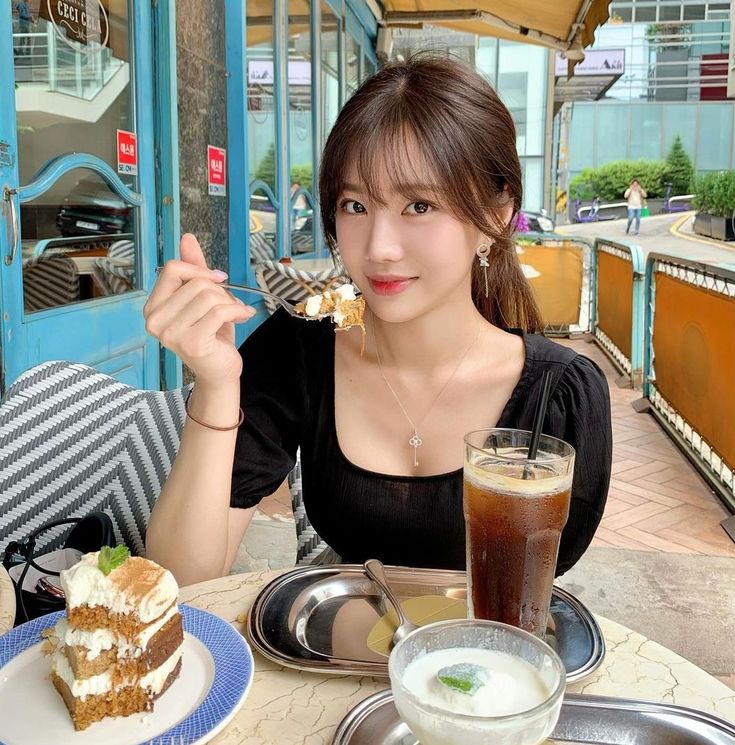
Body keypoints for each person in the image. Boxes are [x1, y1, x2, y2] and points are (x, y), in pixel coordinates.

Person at [144, 55, 612, 587]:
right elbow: (181, 577)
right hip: (338, 650)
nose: (379, 249)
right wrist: (216, 384)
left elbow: (534, 587)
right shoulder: (298, 352)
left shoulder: (561, 399)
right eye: (355, 205)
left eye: (418, 205)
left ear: (496, 217)